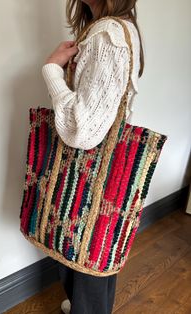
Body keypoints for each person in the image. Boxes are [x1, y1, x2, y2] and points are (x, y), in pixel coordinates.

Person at [41, 0, 144, 313]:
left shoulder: (107, 34)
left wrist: (51, 70)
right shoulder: (119, 27)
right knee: (95, 246)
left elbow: (81, 131)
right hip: (106, 163)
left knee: (82, 248)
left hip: (88, 164)